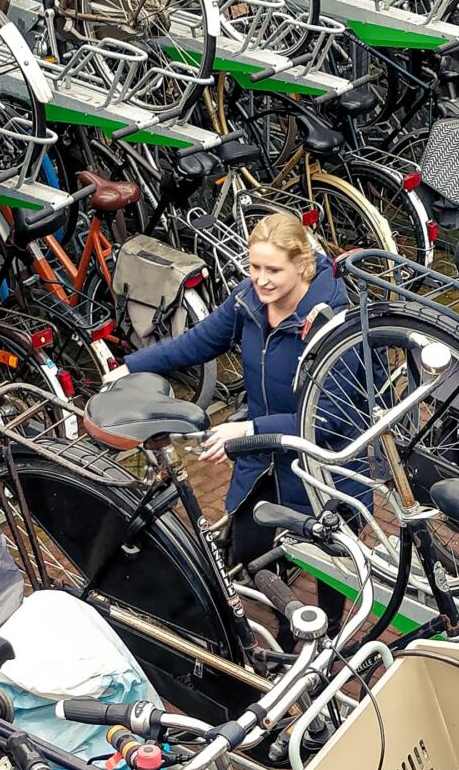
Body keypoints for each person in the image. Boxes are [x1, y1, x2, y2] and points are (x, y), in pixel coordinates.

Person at [113, 209, 343, 570]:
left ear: (302, 265)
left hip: (320, 467)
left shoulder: (333, 322)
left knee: (328, 572)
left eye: (273, 270)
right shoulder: (248, 301)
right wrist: (129, 367)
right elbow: (197, 342)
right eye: (254, 267)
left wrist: (249, 429)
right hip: (262, 459)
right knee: (252, 555)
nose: (261, 280)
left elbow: (330, 418)